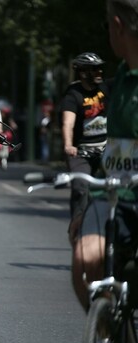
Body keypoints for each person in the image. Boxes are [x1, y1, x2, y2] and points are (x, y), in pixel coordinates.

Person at [72, 0, 138, 312]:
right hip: (112, 193)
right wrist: (87, 205)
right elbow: (115, 150)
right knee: (84, 263)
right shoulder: (123, 76)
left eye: (106, 27)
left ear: (117, 25)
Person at [60, 52, 109, 242]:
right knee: (81, 188)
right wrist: (68, 145)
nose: (99, 71)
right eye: (94, 69)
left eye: (99, 67)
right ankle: (77, 229)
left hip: (106, 150)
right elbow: (68, 123)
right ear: (82, 73)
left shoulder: (106, 88)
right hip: (81, 151)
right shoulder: (74, 94)